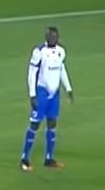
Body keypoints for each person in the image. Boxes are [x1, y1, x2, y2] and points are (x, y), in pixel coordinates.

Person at [22, 26, 73, 171]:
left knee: (52, 123)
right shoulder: (39, 52)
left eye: (55, 36)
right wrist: (32, 95)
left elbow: (61, 69)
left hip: (54, 93)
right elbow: (32, 73)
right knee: (35, 124)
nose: (52, 38)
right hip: (42, 91)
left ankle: (49, 159)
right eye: (50, 36)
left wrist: (68, 89)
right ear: (46, 37)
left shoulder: (61, 52)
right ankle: (24, 159)